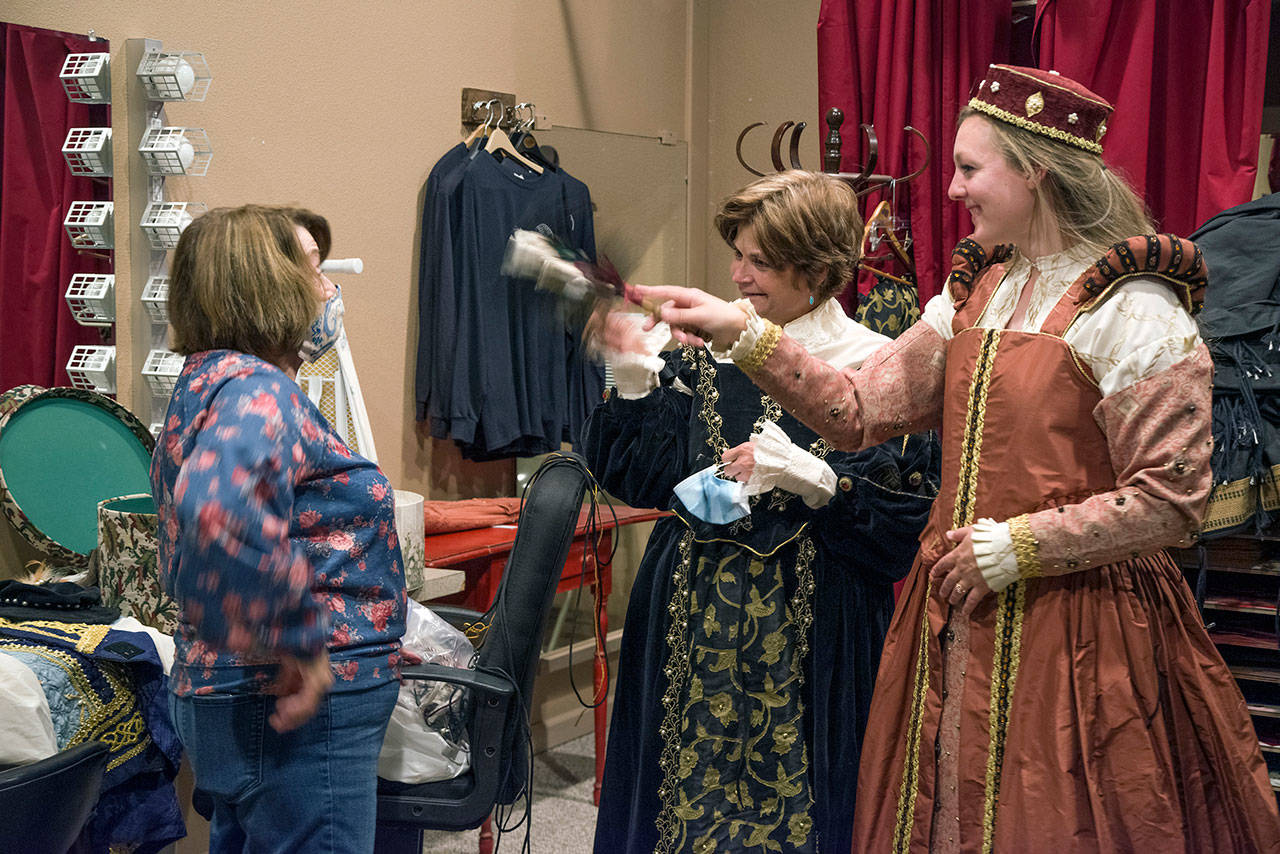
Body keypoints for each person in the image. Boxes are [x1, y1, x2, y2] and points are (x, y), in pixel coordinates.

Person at [630, 66, 1280, 851]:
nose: (952, 191)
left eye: (971, 170)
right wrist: (741, 333)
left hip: (1079, 623)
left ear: (1036, 172)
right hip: (955, 608)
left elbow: (1171, 501)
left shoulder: (1135, 307)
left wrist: (1022, 544)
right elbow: (857, 409)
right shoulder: (979, 293)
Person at [583, 170, 939, 853]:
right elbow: (645, 477)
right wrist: (631, 378)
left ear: (818, 270)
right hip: (689, 615)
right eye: (737, 254)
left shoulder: (876, 369)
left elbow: (900, 532)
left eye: (761, 262)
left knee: (801, 804)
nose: (738, 275)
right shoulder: (709, 351)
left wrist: (818, 481)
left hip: (816, 628)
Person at [152, 204, 407, 852]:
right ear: (266, 288)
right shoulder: (257, 393)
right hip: (290, 706)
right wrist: (297, 643)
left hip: (235, 694)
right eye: (309, 272)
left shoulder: (206, 385)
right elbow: (219, 511)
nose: (325, 291)